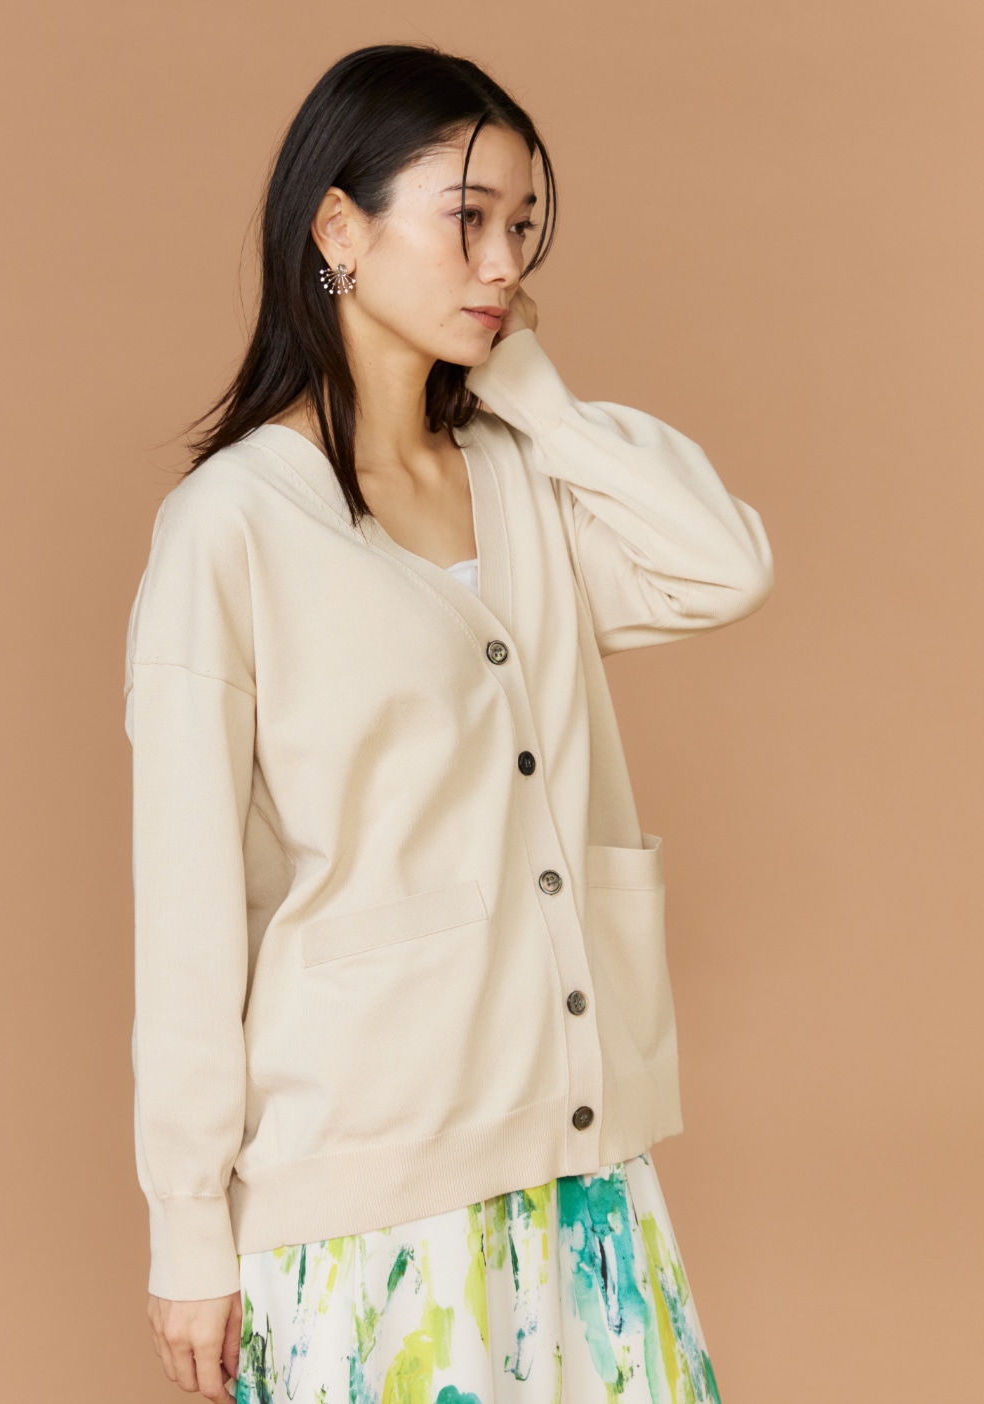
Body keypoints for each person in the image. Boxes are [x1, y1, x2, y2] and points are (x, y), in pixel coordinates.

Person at [123, 43, 773, 1404]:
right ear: (338, 229)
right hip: (367, 1193)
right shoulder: (230, 528)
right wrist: (188, 1224)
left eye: (522, 228)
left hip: (580, 1164)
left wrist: (533, 394)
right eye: (466, 218)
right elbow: (187, 908)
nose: (501, 262)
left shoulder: (521, 478)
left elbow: (720, 568)